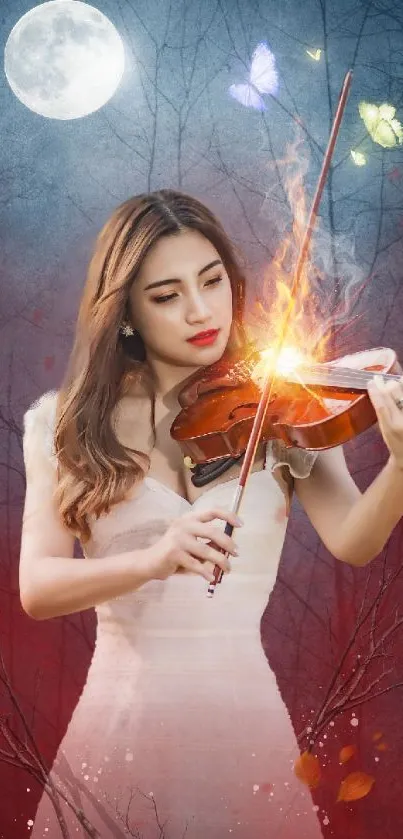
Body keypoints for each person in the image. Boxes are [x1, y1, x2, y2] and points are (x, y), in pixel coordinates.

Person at [20, 190, 403, 839]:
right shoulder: (62, 422)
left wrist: (399, 465)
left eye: (211, 280)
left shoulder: (281, 407)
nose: (201, 310)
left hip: (243, 720)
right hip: (118, 724)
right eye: (166, 295)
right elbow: (38, 587)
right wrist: (152, 557)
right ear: (126, 315)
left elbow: (353, 540)